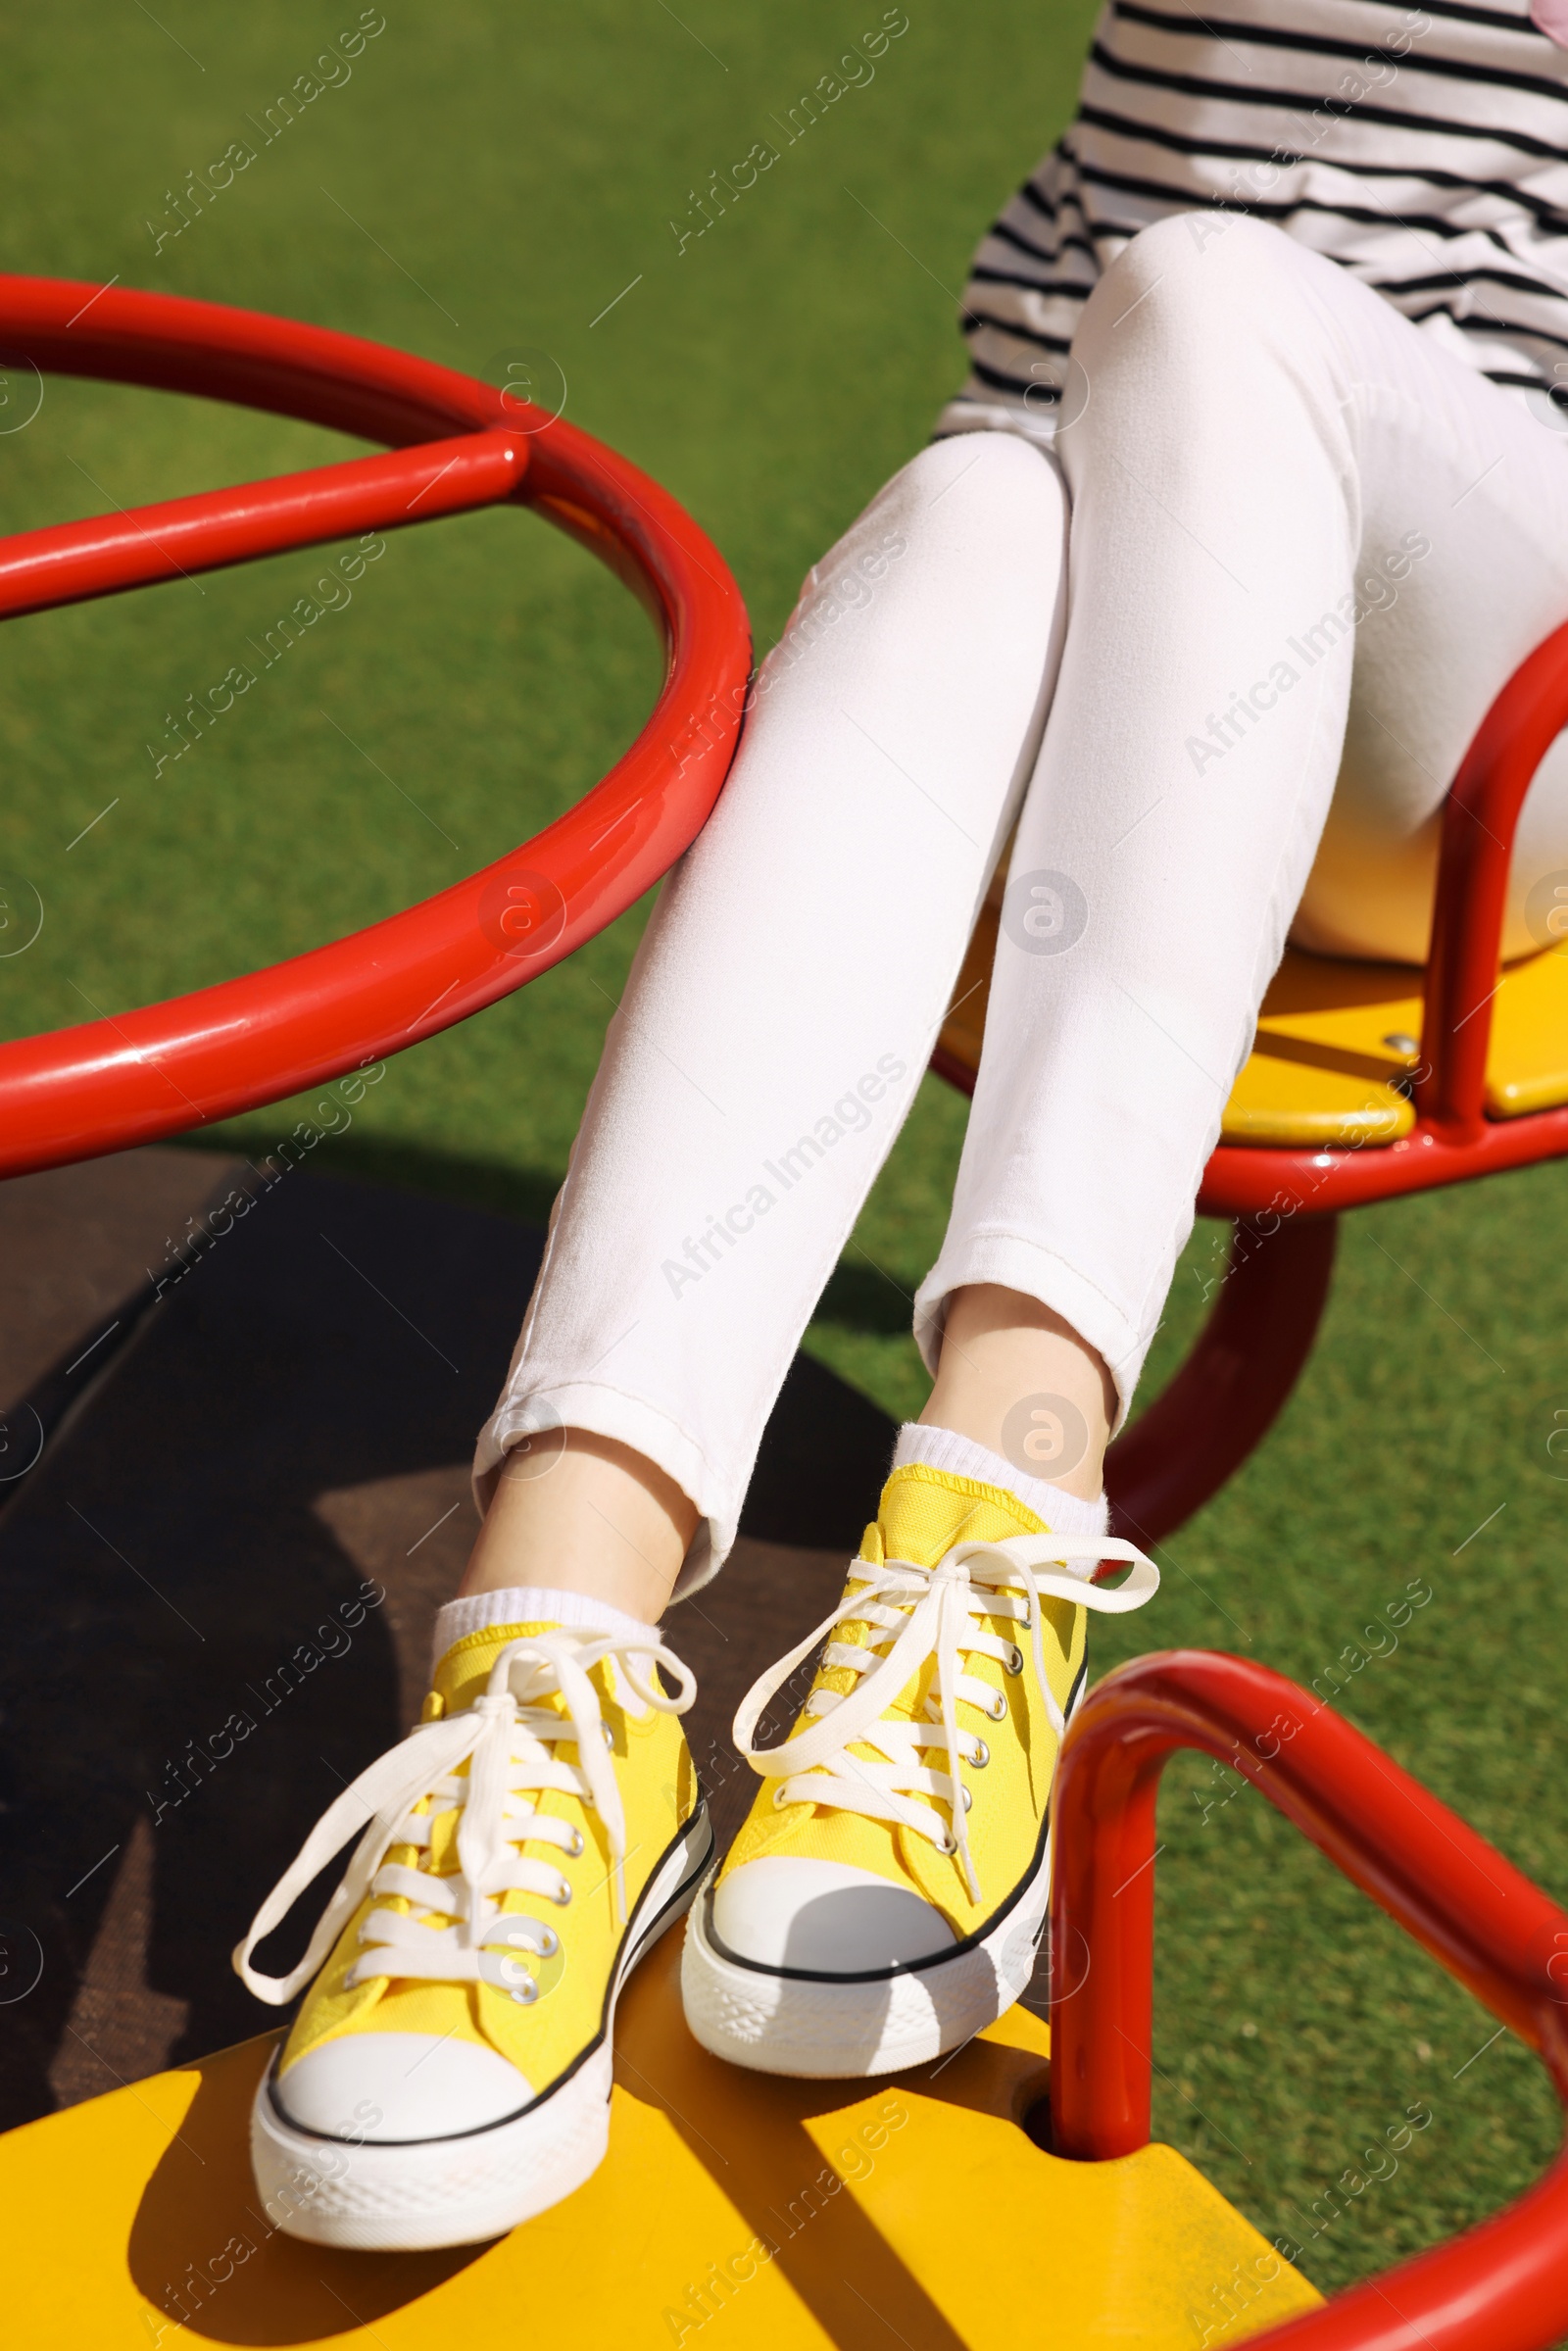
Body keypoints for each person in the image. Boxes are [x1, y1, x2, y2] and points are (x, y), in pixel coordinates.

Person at [232, 0, 1568, 2251]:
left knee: (1213, 286)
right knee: (968, 500)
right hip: (1099, 507)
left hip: (1485, 672)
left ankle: (995, 1529)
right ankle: (547, 1677)